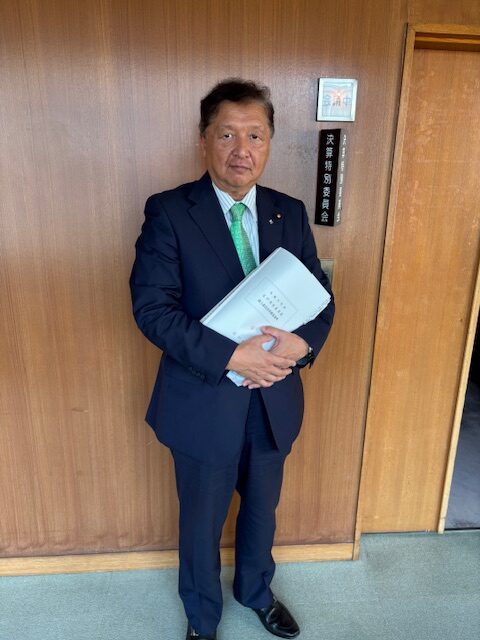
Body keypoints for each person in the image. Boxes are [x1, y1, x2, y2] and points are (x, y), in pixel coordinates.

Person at [130, 79, 335, 640]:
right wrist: (231, 356)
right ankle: (202, 618)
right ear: (204, 141)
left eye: (255, 135)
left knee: (262, 509)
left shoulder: (288, 212)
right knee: (201, 520)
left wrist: (304, 345)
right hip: (203, 398)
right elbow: (153, 309)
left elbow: (318, 297)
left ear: (268, 143)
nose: (241, 149)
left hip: (273, 398)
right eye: (227, 135)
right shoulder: (170, 211)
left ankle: (256, 592)